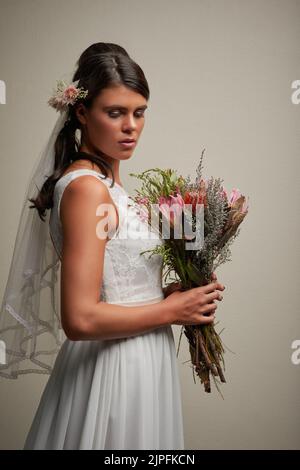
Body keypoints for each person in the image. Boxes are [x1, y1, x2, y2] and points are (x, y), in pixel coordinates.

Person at [2, 42, 225, 450]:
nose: (131, 127)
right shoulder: (87, 189)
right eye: (115, 113)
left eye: (139, 113)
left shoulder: (108, 186)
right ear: (82, 112)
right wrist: (172, 310)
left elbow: (116, 290)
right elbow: (80, 318)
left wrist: (170, 293)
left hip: (142, 360)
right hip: (113, 368)